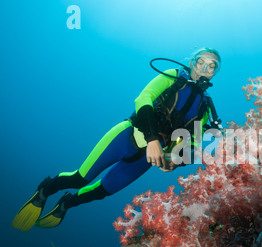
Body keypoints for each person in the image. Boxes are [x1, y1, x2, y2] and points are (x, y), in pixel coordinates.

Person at [12, 48, 222, 232]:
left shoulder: (205, 107)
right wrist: (152, 139)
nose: (204, 68)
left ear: (215, 73)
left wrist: (175, 161)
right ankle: (45, 190)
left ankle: (68, 203)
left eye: (211, 66)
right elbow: (144, 98)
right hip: (126, 136)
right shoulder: (174, 76)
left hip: (146, 159)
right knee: (80, 179)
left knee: (103, 191)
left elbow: (192, 142)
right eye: (200, 62)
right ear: (192, 62)